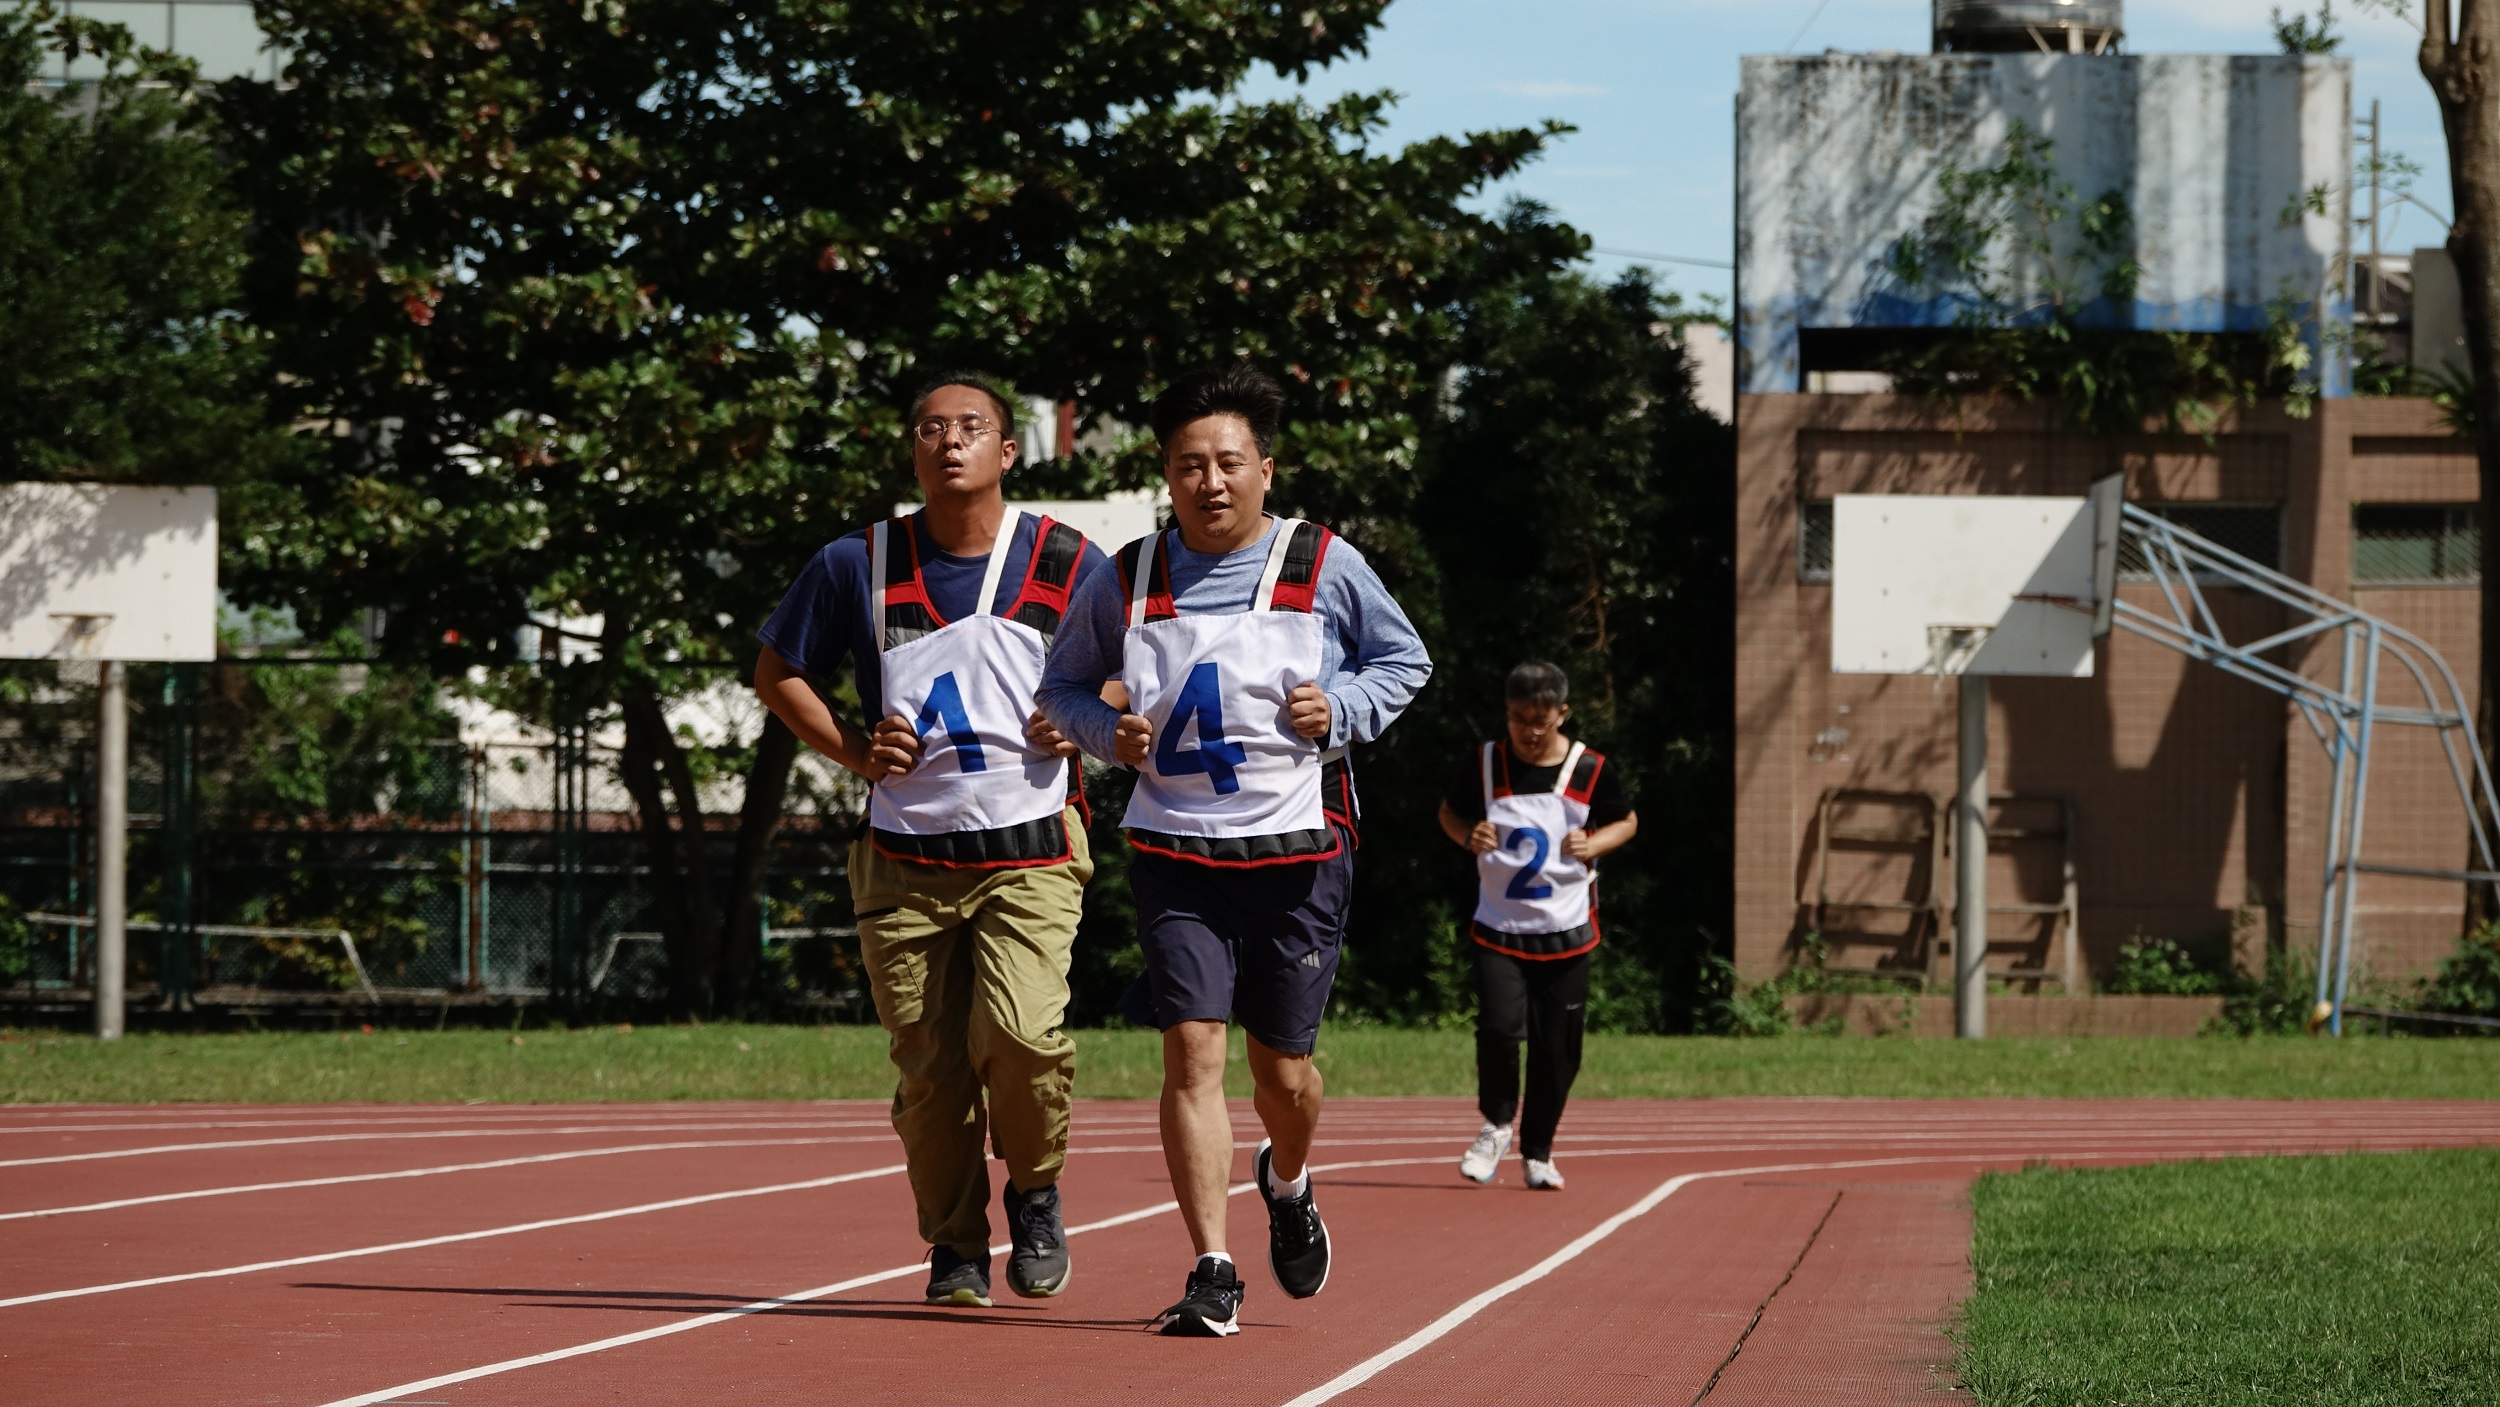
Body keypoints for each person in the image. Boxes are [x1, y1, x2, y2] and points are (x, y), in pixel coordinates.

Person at [1038, 363, 1431, 1338]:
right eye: (1188, 465)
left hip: (1299, 847)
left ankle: (1287, 1180)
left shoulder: (1321, 561)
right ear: (1166, 473)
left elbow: (1405, 659)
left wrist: (1341, 706)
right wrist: (1106, 733)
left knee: (1283, 1074)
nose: (1209, 482)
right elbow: (1061, 689)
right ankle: (1212, 1267)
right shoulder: (1126, 575)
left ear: (1264, 468)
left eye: (1227, 462)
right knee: (1191, 1052)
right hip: (1177, 850)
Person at [754, 372, 1109, 1308]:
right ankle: (954, 1244)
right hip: (905, 855)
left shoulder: (1069, 558)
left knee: (1023, 1035)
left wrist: (1084, 713)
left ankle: (1035, 1188)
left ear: (1008, 449)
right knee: (930, 1068)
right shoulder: (857, 561)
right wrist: (854, 750)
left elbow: (1134, 668)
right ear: (911, 449)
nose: (949, 441)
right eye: (929, 428)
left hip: (1032, 846)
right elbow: (777, 671)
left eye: (970, 426)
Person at [1436, 661, 1637, 1191]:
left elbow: (1627, 821)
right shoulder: (1486, 763)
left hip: (1567, 929)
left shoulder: (1590, 768)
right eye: (1518, 718)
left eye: (1539, 720)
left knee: (1558, 1049)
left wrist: (1594, 843)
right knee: (1500, 1028)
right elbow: (1449, 813)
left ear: (1561, 714)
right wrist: (1468, 836)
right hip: (1499, 927)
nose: (1528, 731)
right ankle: (1497, 1124)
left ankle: (1539, 1151)